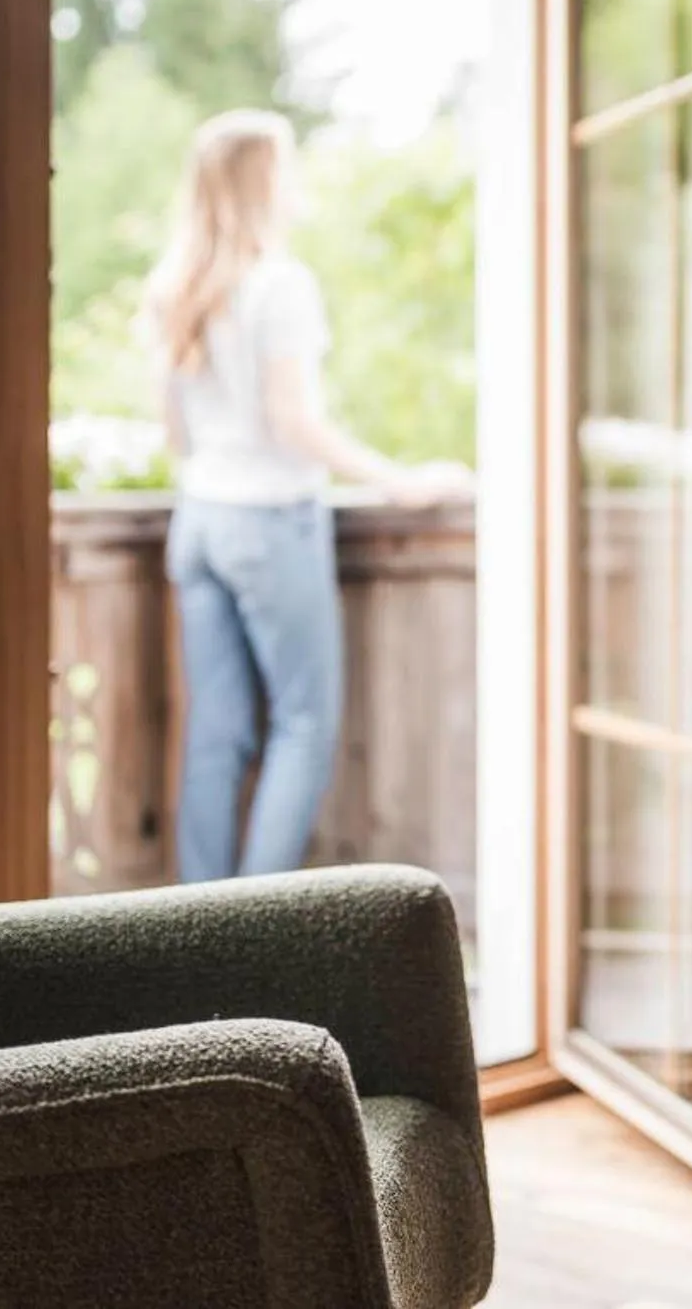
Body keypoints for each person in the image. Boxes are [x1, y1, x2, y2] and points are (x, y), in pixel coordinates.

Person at [141, 108, 464, 883]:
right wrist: (401, 480)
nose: (296, 186)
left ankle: (192, 935)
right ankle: (259, 937)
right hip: (267, 522)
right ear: (262, 183)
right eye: (286, 169)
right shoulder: (278, 284)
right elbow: (293, 422)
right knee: (304, 725)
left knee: (216, 735)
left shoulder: (173, 287)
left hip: (200, 521)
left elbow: (175, 433)